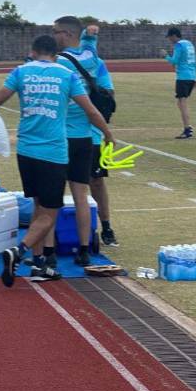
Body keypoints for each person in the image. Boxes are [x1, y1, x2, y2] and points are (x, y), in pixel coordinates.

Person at [0, 35, 113, 286]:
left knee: (37, 207)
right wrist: (108, 134)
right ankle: (18, 251)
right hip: (53, 152)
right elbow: (91, 111)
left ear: (32, 51)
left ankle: (39, 265)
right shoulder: (66, 76)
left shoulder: (21, 72)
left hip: (26, 150)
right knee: (50, 213)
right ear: (55, 54)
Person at [52, 16, 105, 266]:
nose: (54, 37)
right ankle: (83, 249)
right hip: (84, 136)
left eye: (56, 33)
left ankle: (49, 249)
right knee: (80, 195)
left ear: (67, 34)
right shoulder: (90, 57)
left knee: (51, 197)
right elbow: (89, 44)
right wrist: (91, 35)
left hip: (61, 137)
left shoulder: (59, 63)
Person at [81, 27, 118, 247]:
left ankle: (106, 227)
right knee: (75, 185)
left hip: (92, 133)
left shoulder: (98, 64)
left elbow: (108, 94)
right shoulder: (59, 63)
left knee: (96, 182)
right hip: (63, 135)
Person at [160, 27, 196, 139]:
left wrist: (165, 55)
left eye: (170, 37)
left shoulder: (179, 45)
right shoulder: (189, 44)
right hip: (191, 76)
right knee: (180, 103)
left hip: (182, 77)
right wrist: (195, 78)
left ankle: (187, 129)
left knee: (182, 103)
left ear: (174, 35)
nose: (169, 40)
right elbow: (194, 61)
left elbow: (174, 61)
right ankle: (187, 127)